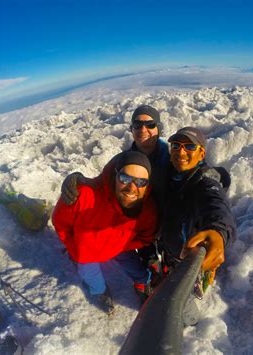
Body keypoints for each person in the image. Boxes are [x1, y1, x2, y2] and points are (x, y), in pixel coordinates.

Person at [52, 151, 158, 315]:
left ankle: (143, 283)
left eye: (140, 182)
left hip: (119, 248)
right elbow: (60, 222)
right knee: (92, 278)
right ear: (114, 176)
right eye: (125, 178)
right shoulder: (83, 195)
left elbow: (146, 236)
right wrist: (76, 248)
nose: (132, 187)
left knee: (136, 267)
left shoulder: (147, 210)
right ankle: (101, 292)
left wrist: (121, 244)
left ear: (147, 185)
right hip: (87, 255)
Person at [159, 127, 236, 294]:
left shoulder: (206, 180)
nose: (181, 151)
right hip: (171, 249)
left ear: (202, 154)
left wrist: (219, 231)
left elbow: (216, 204)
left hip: (191, 255)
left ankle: (197, 289)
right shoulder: (170, 175)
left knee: (191, 284)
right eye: (176, 145)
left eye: (190, 147)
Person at [61, 104, 170, 208]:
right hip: (140, 222)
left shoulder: (174, 156)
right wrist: (76, 179)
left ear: (158, 129)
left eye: (150, 125)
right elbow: (100, 183)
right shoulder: (122, 161)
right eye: (137, 125)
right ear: (132, 129)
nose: (143, 130)